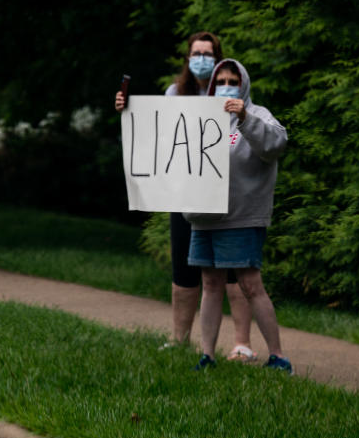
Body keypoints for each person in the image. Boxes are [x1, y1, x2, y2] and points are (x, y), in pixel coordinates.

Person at [114, 32, 257, 361]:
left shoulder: (230, 89)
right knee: (184, 268)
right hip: (186, 193)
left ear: (218, 57)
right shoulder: (174, 93)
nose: (202, 59)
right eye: (197, 53)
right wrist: (127, 110)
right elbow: (157, 133)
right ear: (188, 58)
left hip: (227, 195)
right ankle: (180, 339)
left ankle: (242, 343)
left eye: (208, 53)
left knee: (234, 273)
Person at [183, 58, 292, 373]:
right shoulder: (200, 116)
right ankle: (207, 355)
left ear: (243, 84)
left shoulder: (257, 115)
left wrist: (244, 117)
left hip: (242, 216)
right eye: (220, 81)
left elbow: (276, 144)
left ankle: (278, 356)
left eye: (232, 80)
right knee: (210, 282)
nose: (226, 86)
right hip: (204, 215)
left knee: (250, 284)